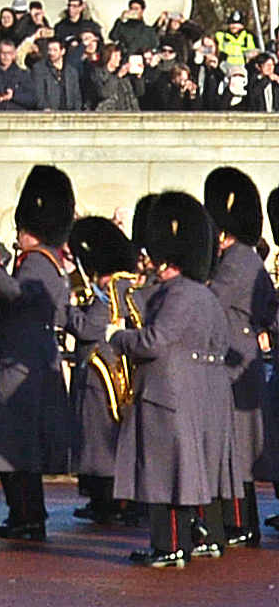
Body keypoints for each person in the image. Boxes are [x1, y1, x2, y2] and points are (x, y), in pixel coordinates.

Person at [109, 192, 230, 568]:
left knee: (165, 480)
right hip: (190, 394)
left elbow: (153, 342)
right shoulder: (203, 295)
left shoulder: (178, 295)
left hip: (165, 396)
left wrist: (118, 337)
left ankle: (170, 546)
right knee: (182, 476)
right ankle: (185, 541)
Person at [0, 165, 73, 541]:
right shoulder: (47, 261)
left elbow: (21, 293)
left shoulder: (36, 263)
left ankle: (26, 516)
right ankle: (25, 514)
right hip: (28, 361)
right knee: (18, 448)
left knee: (15, 447)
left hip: (20, 366)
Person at [203, 168, 276, 547]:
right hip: (241, 357)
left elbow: (210, 303)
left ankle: (242, 524)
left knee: (235, 453)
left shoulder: (234, 262)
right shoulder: (249, 259)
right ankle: (241, 523)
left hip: (231, 366)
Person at [64, 217, 139, 525]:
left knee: (100, 444)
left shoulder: (110, 294)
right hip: (94, 370)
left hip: (102, 372)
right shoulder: (105, 290)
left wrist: (65, 309)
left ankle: (108, 502)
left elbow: (88, 326)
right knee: (91, 441)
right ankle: (99, 499)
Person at [0, 40, 37, 110]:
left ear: (14, 55)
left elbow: (32, 99)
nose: (6, 56)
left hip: (16, 115)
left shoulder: (22, 74)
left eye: (9, 53)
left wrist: (13, 96)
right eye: (3, 53)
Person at [30, 37, 81, 111]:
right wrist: (44, 107)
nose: (51, 53)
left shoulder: (71, 71)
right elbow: (38, 93)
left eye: (55, 50)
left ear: (62, 51)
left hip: (69, 113)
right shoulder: (39, 68)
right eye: (49, 50)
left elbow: (76, 95)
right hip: (49, 113)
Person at [92, 43, 142, 111]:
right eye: (115, 55)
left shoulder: (126, 76)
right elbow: (104, 93)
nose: (119, 58)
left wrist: (138, 77)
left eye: (119, 55)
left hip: (128, 111)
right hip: (109, 112)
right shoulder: (98, 73)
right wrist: (118, 76)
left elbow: (139, 93)